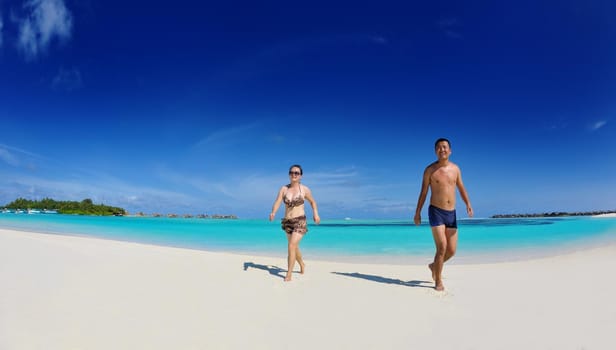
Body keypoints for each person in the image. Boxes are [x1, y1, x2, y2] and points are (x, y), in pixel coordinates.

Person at [414, 138, 473, 291]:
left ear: (450, 150)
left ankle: (434, 266)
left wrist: (468, 203)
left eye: (445, 147)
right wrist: (417, 212)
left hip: (451, 213)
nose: (442, 150)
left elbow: (461, 187)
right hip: (436, 211)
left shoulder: (456, 169)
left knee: (451, 251)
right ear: (435, 151)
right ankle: (438, 281)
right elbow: (423, 193)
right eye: (439, 148)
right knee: (442, 247)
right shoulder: (429, 170)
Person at [269, 164, 320, 281]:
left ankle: (289, 274)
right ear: (289, 174)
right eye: (292, 172)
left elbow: (313, 202)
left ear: (301, 176)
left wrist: (316, 214)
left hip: (300, 221)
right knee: (294, 247)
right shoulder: (284, 189)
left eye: (296, 173)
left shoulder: (305, 189)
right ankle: (302, 264)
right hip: (287, 222)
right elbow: (277, 202)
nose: (294, 175)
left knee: (291, 245)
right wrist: (273, 212)